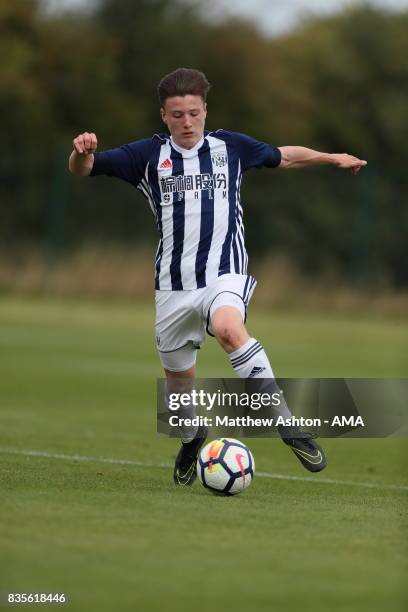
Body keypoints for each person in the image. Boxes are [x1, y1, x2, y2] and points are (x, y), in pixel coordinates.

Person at [69, 67, 367, 486]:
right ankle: (191, 439)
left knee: (229, 328)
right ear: (163, 116)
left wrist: (329, 157)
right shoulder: (146, 157)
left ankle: (288, 425)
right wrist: (81, 151)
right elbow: (85, 169)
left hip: (224, 273)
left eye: (193, 112)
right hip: (173, 287)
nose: (186, 122)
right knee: (179, 389)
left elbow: (286, 155)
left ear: (205, 110)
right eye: (177, 115)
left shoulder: (231, 147)